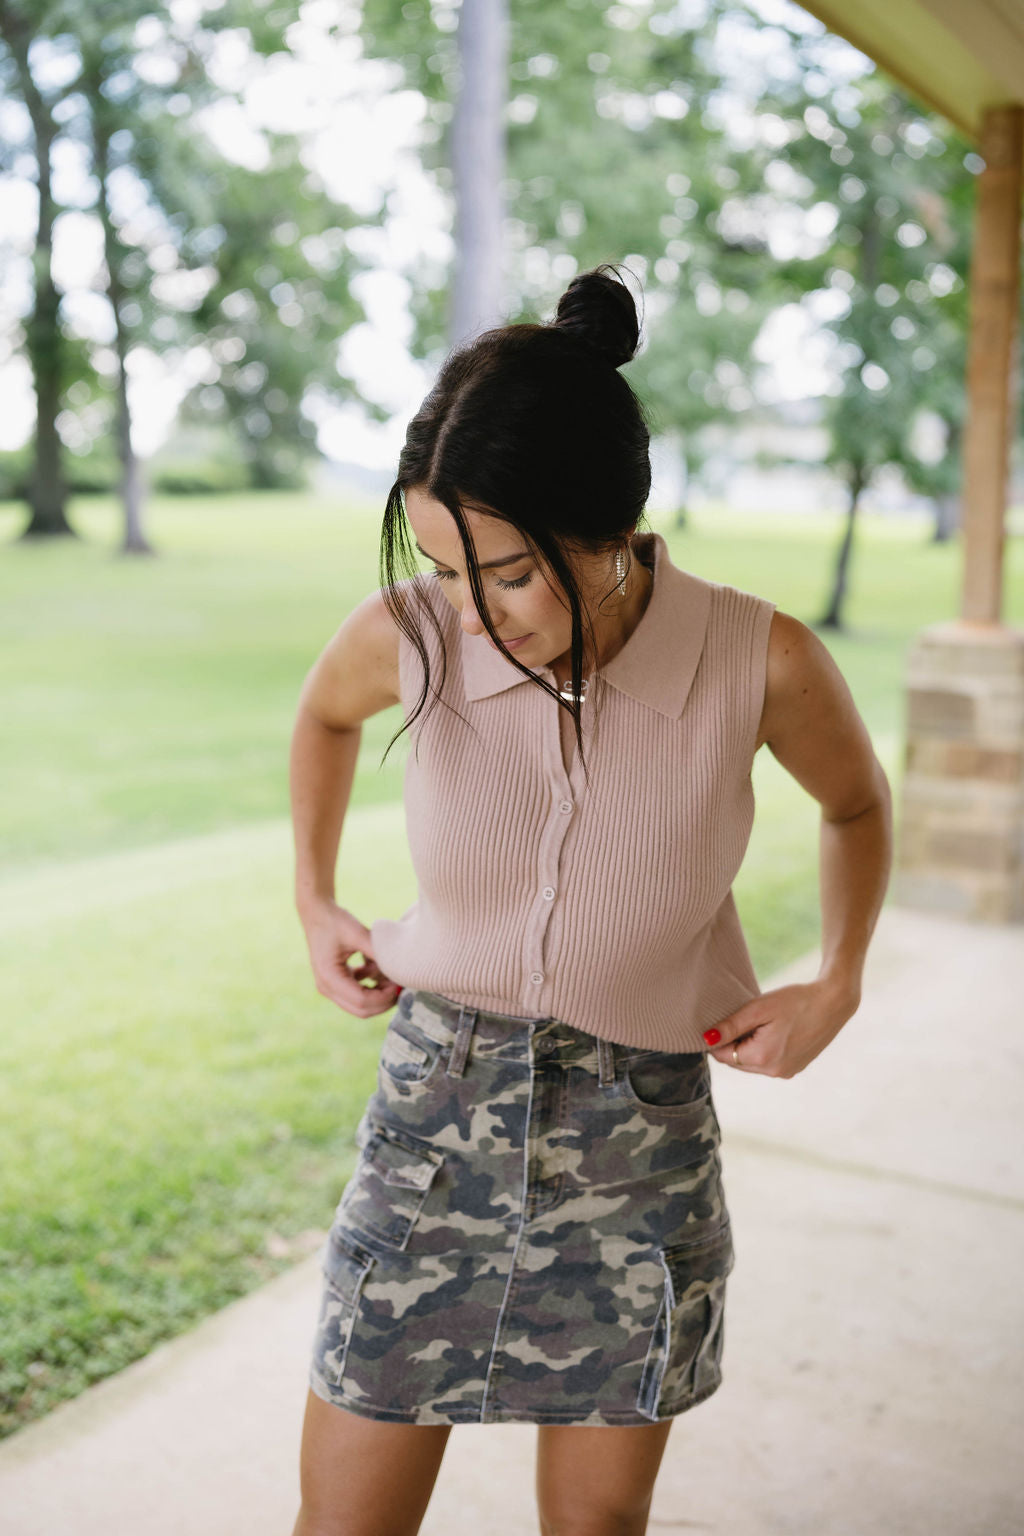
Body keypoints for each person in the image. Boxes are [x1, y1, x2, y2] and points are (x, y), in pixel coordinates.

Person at [287, 263, 892, 1536]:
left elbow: (854, 806)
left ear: (608, 531)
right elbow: (323, 716)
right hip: (432, 1125)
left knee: (598, 1529)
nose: (467, 612)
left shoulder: (758, 658)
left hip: (640, 1140)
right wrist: (315, 899)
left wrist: (836, 978)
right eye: (447, 570)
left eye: (504, 573)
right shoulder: (414, 634)